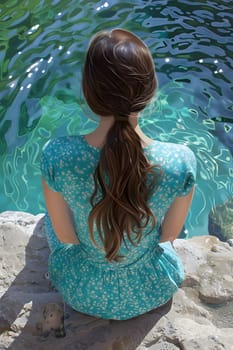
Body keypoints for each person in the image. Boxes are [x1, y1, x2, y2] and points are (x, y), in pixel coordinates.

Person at [40, 28, 196, 321]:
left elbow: (66, 237)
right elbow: (170, 236)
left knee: (50, 217)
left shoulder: (57, 155)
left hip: (82, 292)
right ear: (150, 92)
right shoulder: (180, 161)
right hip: (152, 289)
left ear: (89, 93)